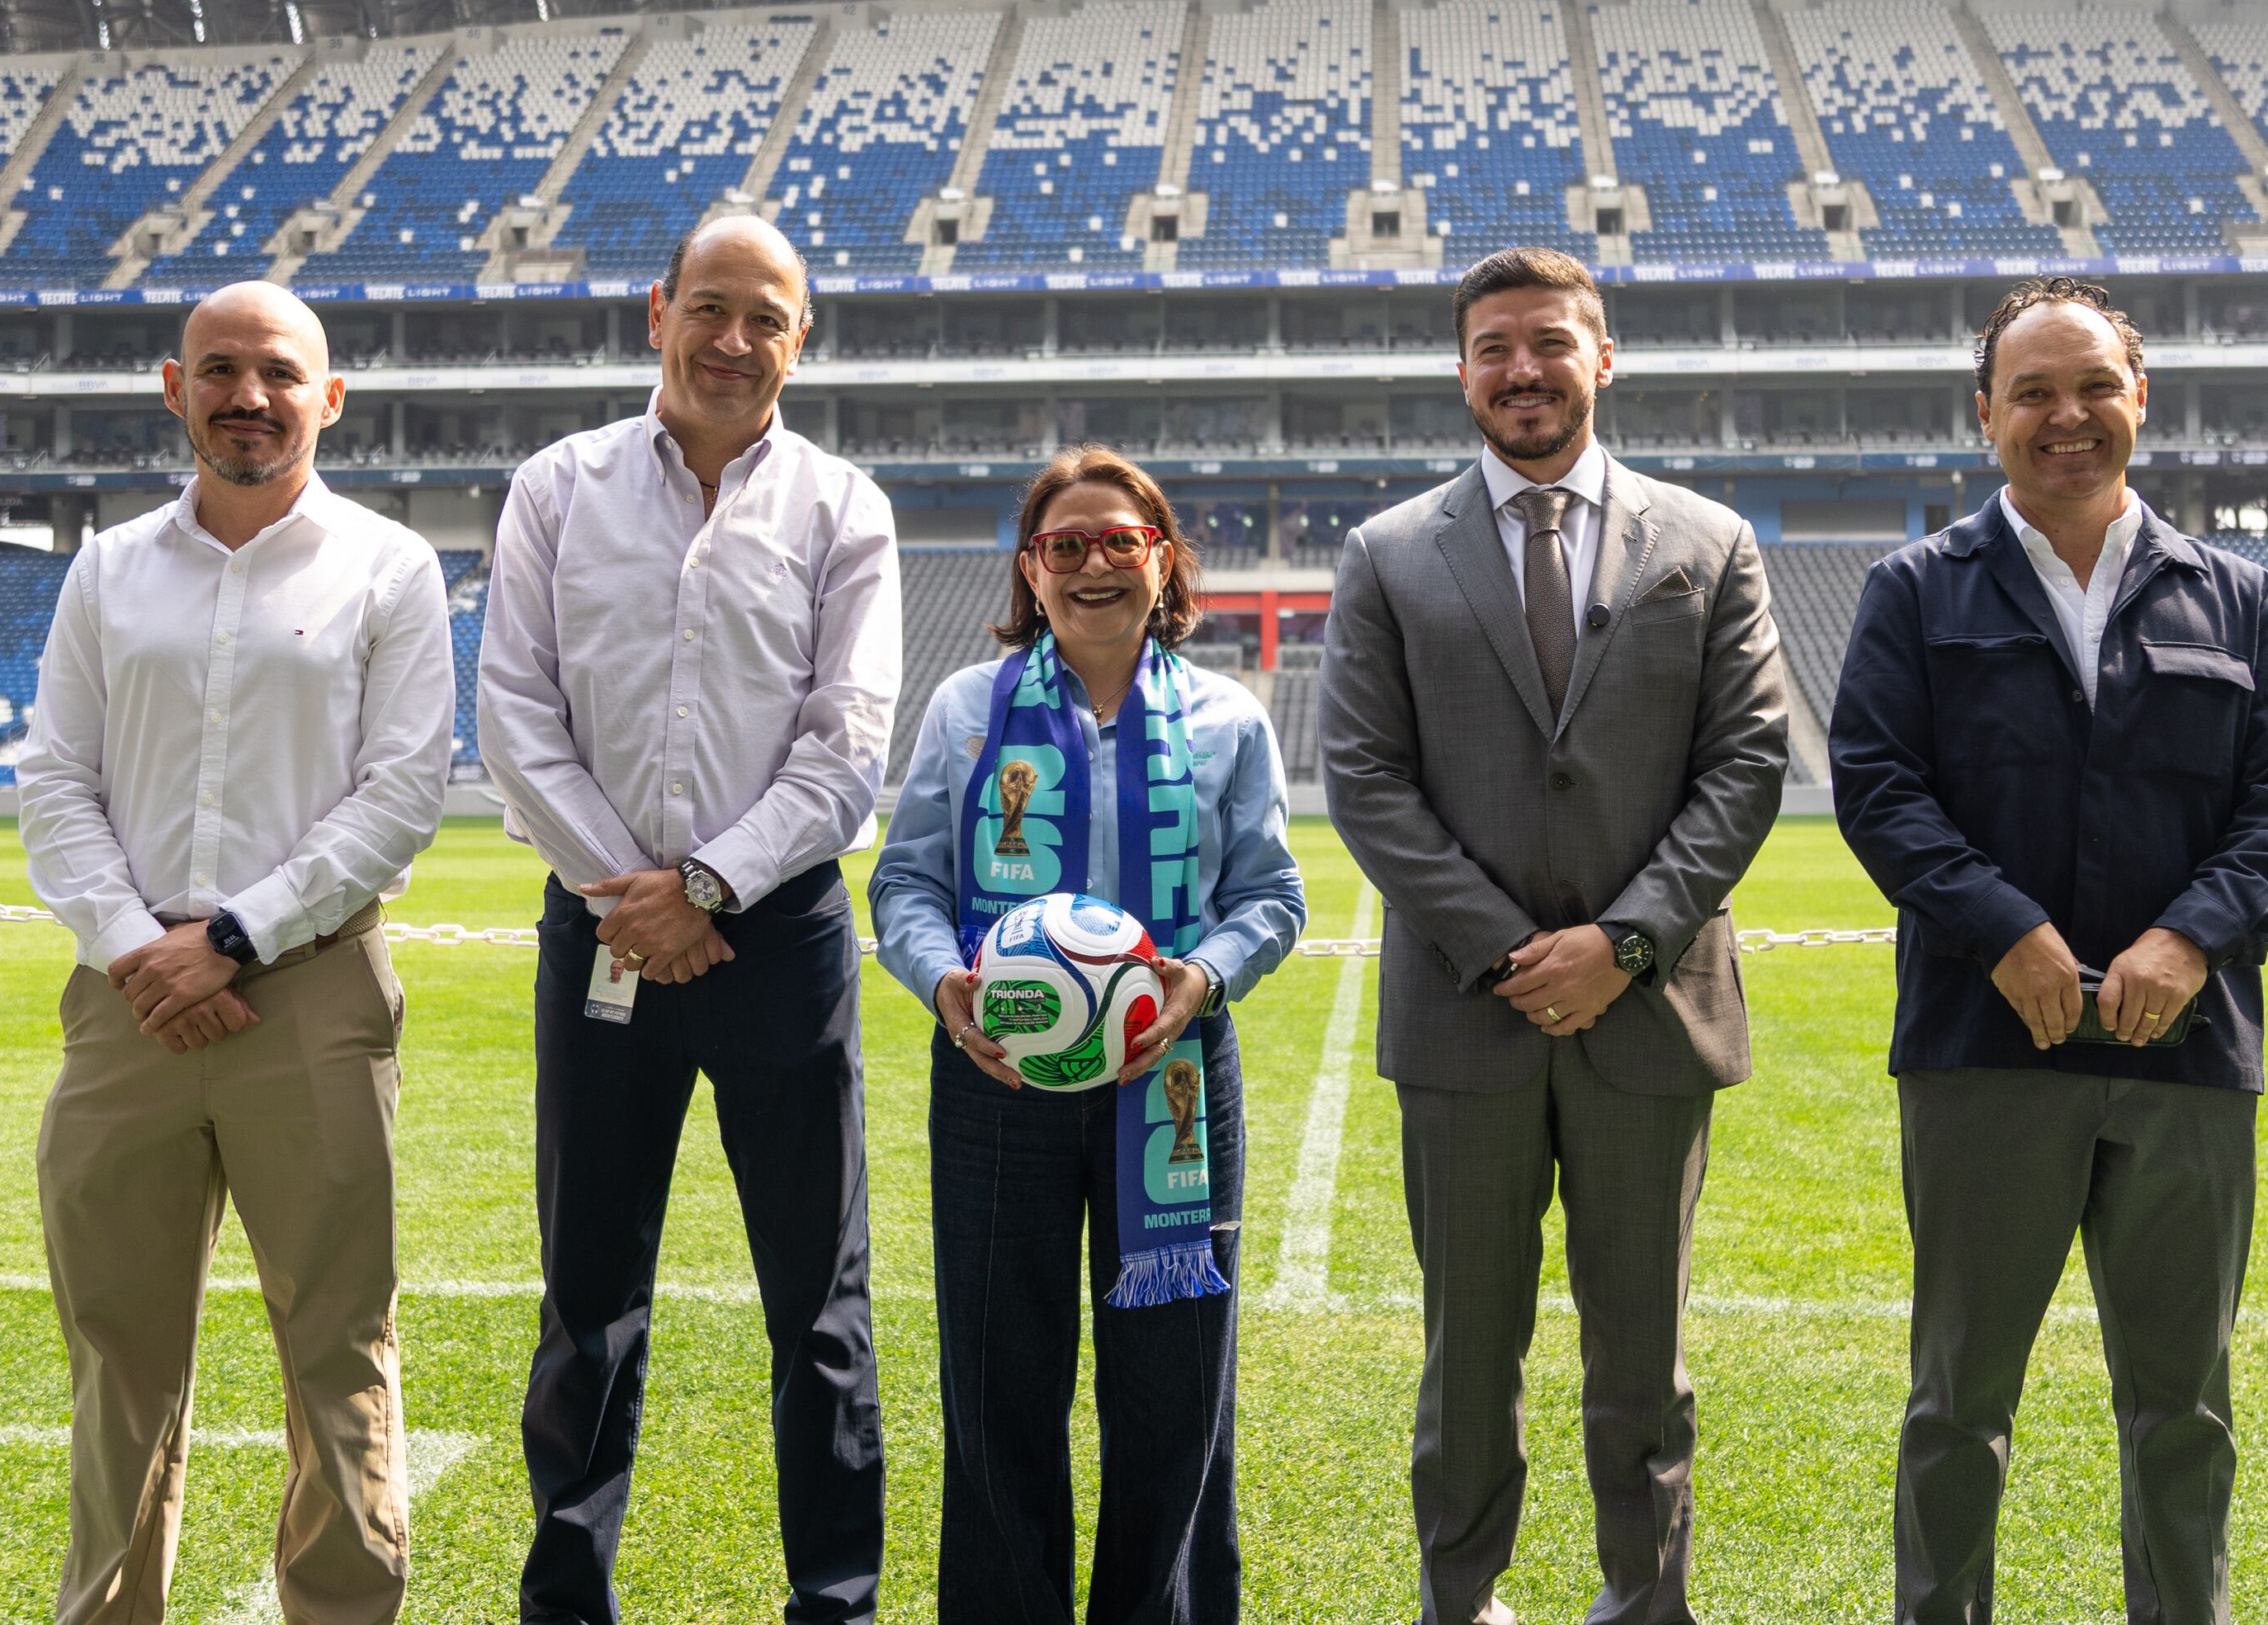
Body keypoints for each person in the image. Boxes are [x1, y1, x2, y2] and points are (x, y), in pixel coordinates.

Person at [1828, 276, 2268, 1625]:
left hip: (2187, 1058)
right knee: (1958, 1407)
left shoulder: (2239, 596)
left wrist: (2189, 939)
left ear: (2140, 400)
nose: (2069, 416)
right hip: (1984, 1053)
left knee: (2182, 1409)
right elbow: (1877, 788)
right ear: (1985, 411)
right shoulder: (1911, 591)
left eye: (2095, 386)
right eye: (2035, 391)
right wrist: (2006, 933)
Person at [1316, 246, 1795, 1625]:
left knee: (1642, 1356)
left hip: (1650, 1017)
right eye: (1493, 348)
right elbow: (1366, 779)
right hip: (1469, 1022)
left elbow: (1746, 765)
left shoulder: (1707, 543)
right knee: (1470, 1353)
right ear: (1462, 371)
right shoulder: (1390, 553)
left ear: (1602, 355)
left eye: (1549, 342)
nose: (1522, 370)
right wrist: (1512, 951)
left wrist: (1625, 943)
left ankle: (1646, 1604)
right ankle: (1459, 1600)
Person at [477, 215, 902, 1625]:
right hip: (599, 929)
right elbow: (517, 721)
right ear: (659, 310)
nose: (733, 341)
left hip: (775, 938)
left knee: (819, 1304)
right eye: (709, 308)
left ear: (803, 337)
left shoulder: (846, 505)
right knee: (587, 1293)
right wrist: (633, 897)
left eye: (765, 318)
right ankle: (567, 1601)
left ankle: (833, 1600)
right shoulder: (556, 486)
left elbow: (848, 743)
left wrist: (706, 887)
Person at [18, 280, 456, 1625]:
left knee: (335, 1348)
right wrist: (139, 945)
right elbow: (54, 778)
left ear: (330, 399)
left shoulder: (390, 564)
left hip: (310, 991)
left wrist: (237, 936)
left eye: (278, 371)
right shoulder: (107, 567)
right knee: (118, 1356)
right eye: (219, 367)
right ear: (174, 385)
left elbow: (405, 790)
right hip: (127, 1002)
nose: (247, 394)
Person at [870, 449, 1308, 1625]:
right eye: (1068, 544)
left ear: (1162, 558)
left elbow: (1271, 895)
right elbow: (905, 883)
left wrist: (1202, 980)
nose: (1096, 563)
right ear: (1031, 568)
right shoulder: (970, 709)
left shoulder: (1227, 716)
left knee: (1173, 1392)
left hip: (1170, 1074)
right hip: (994, 1076)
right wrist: (944, 982)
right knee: (997, 1382)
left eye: (1121, 539)